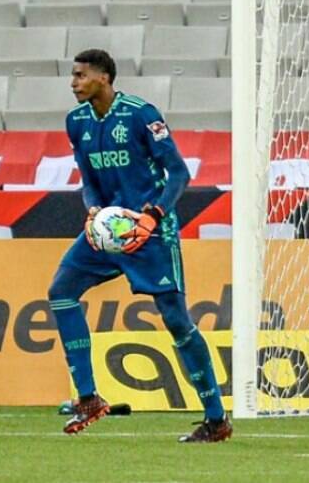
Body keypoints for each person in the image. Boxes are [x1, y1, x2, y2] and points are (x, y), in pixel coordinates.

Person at [47, 49, 232, 443]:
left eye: (80, 75)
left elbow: (178, 173)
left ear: (103, 77)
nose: (73, 82)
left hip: (148, 231)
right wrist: (92, 209)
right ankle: (88, 397)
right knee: (61, 291)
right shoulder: (76, 121)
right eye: (73, 75)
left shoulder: (140, 114)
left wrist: (154, 216)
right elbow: (89, 178)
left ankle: (216, 418)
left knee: (176, 320)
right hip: (107, 230)